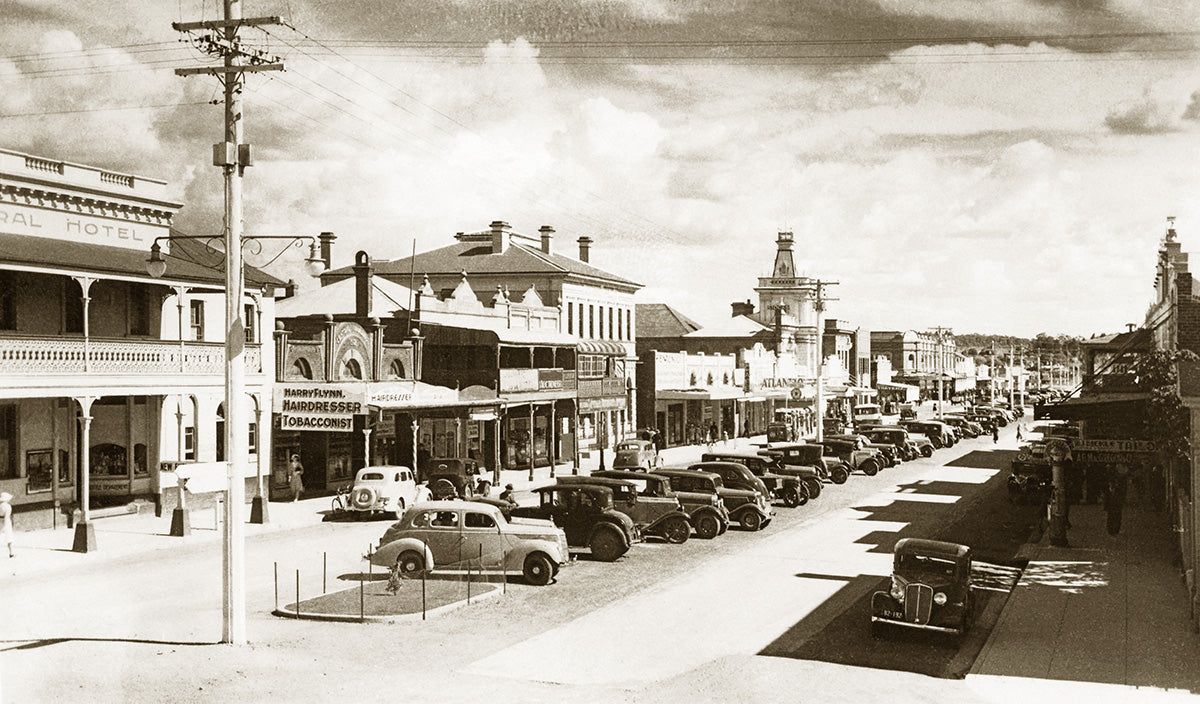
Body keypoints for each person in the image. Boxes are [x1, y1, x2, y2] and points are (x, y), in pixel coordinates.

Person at [0, 491, 13, 558]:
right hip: (7, 522)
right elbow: (7, 516)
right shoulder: (8, 506)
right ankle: (11, 553)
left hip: (0, 522)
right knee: (9, 537)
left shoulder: (0, 506)